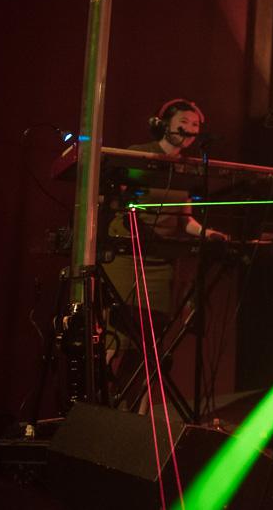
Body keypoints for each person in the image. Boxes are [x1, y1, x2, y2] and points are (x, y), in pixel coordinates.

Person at [102, 99, 227, 406]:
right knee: (118, 341)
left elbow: (184, 221)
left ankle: (140, 419)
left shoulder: (185, 167)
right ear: (163, 124)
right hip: (127, 258)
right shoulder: (139, 152)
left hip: (162, 265)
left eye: (196, 125)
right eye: (184, 122)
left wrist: (208, 232)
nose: (190, 129)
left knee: (151, 348)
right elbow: (112, 195)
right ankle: (102, 408)